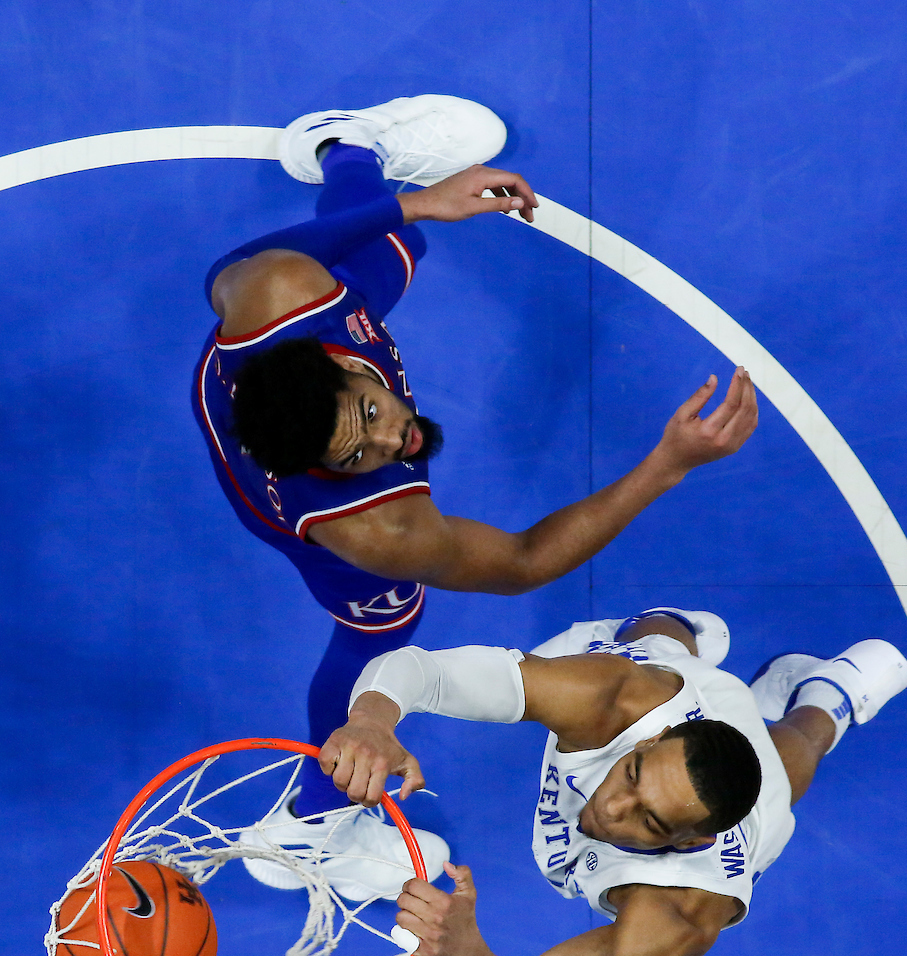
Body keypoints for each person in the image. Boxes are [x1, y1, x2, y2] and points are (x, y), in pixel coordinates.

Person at [192, 93, 757, 898]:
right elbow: (523, 562)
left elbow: (248, 264)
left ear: (353, 364)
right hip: (299, 515)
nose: (394, 443)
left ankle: (343, 145)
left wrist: (417, 200)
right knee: (381, 626)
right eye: (359, 453)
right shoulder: (376, 525)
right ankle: (317, 818)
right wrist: (667, 463)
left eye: (375, 416)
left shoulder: (280, 294)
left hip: (287, 356)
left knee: (396, 239)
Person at [319, 607, 907, 956]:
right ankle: (679, 630)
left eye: (649, 822)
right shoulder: (618, 701)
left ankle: (829, 696)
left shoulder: (678, 913)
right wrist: (372, 722)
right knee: (652, 636)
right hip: (671, 685)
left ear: (694, 839)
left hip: (740, 804)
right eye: (631, 778)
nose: (608, 809)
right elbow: (422, 672)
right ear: (650, 738)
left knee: (788, 763)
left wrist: (467, 953)